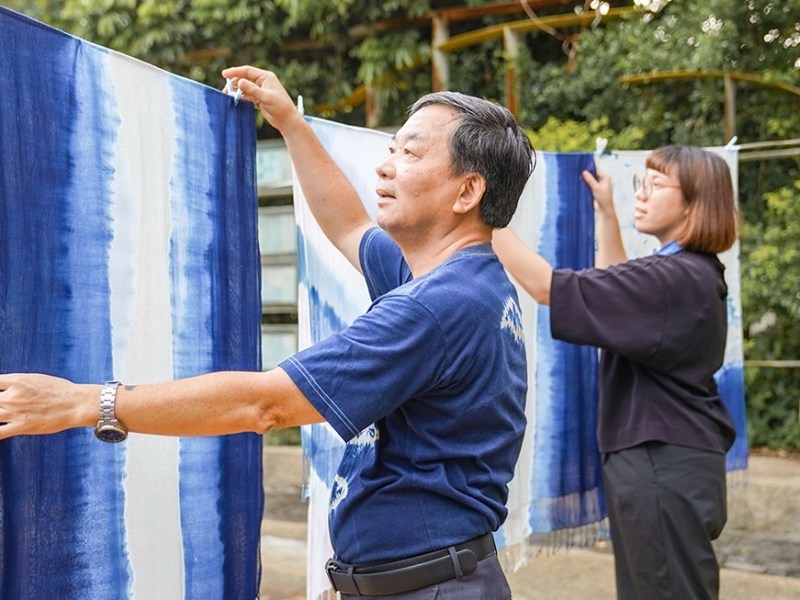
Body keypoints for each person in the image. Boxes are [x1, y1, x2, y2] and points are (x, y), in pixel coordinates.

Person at [0, 66, 534, 598]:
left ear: (467, 191)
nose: (385, 167)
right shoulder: (464, 280)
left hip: (431, 589)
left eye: (410, 154)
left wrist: (87, 402)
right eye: (391, 149)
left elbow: (267, 405)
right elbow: (349, 225)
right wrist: (290, 122)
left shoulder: (435, 307)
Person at [493, 145, 738, 600]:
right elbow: (618, 290)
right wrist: (607, 214)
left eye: (657, 185)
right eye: (640, 184)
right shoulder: (685, 274)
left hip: (662, 461)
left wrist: (481, 217)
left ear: (696, 202)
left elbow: (548, 287)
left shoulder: (674, 278)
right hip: (669, 460)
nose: (641, 195)